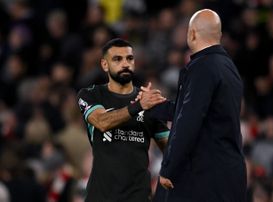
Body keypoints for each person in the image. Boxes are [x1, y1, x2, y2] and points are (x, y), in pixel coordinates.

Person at [140, 9, 247, 202]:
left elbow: (188, 121)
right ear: (219, 36)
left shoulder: (203, 67)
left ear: (192, 34)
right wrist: (152, 106)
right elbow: (189, 111)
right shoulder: (228, 67)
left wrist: (169, 167)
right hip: (227, 175)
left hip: (205, 177)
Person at [77, 38, 169, 202]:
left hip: (138, 197)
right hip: (101, 197)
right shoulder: (91, 94)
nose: (125, 64)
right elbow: (102, 122)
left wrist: (169, 171)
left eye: (129, 58)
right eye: (117, 59)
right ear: (104, 65)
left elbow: (169, 147)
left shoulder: (147, 102)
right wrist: (139, 106)